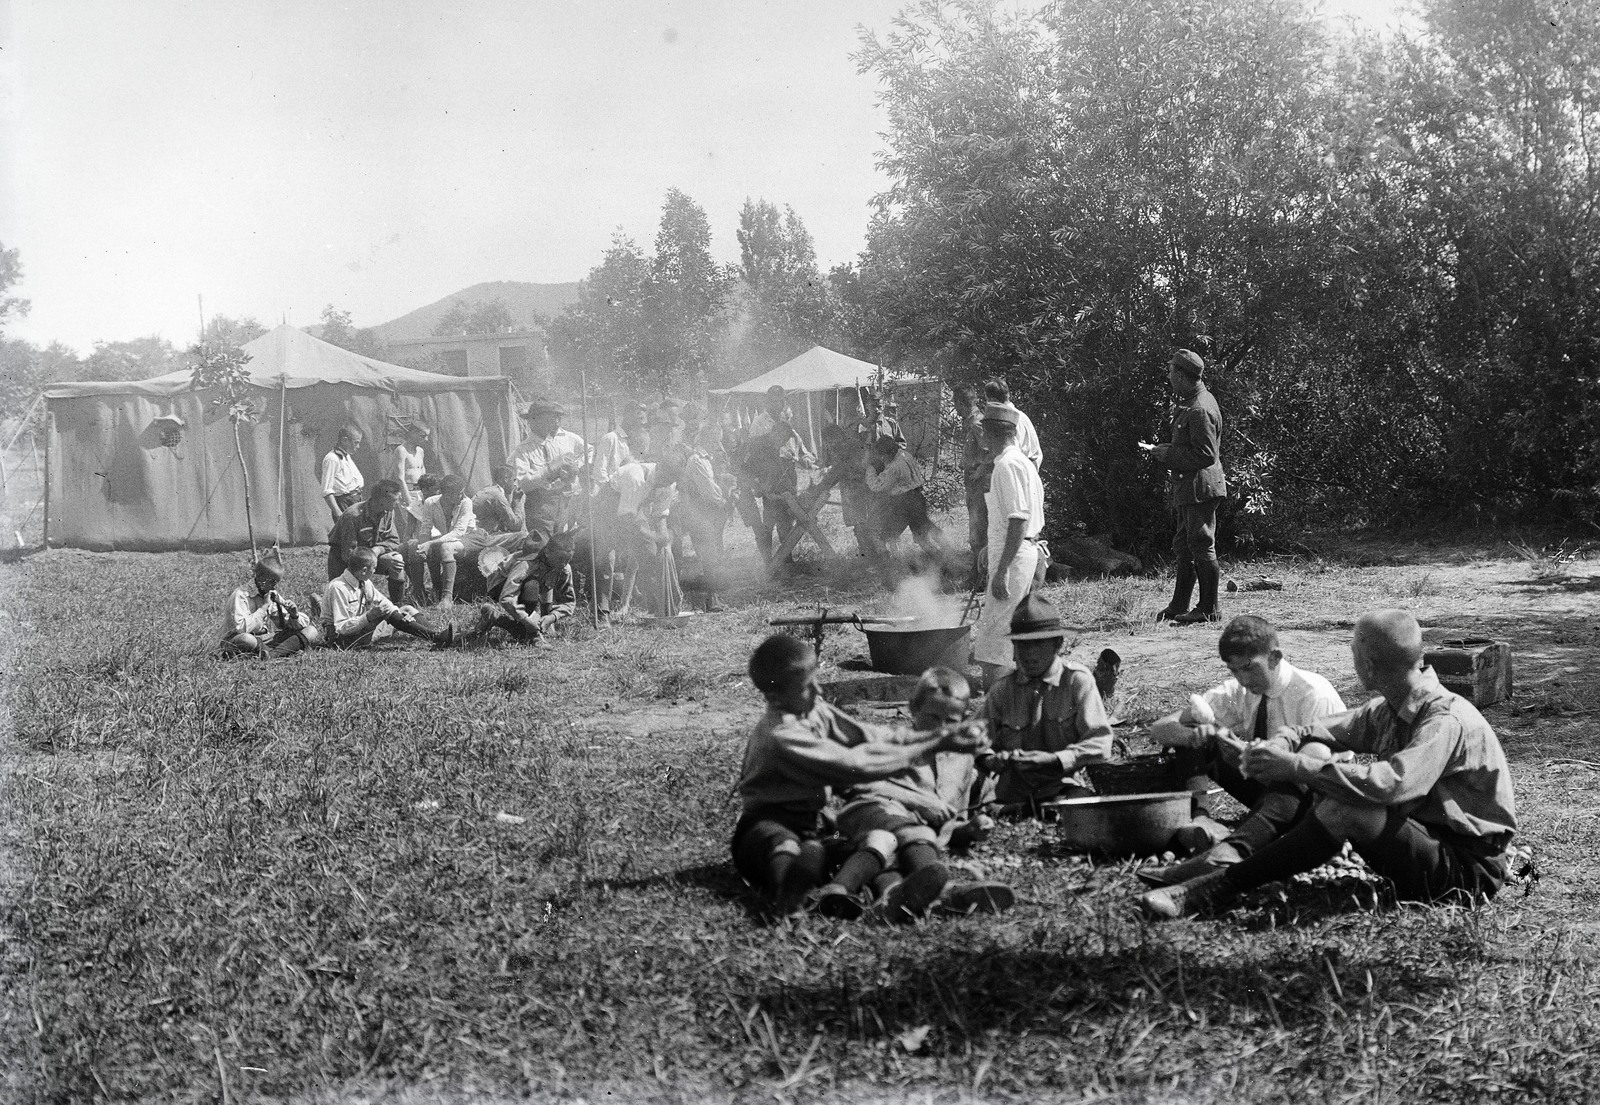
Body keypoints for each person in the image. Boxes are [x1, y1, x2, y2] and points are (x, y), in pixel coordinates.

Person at [1140, 609, 1517, 920]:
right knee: (1320, 757)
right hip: (1429, 844)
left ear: (1365, 665)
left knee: (1346, 808)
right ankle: (1224, 871)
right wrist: (1284, 743)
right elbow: (1316, 729)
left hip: (1468, 871)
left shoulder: (1443, 719)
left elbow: (1392, 784)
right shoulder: (1393, 707)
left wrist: (1296, 768)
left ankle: (1219, 885)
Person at [733, 635, 988, 915]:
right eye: (807, 687)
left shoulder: (815, 711)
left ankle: (887, 894)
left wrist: (936, 735)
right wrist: (938, 742)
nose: (819, 690)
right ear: (774, 697)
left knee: (860, 846)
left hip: (810, 826)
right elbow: (857, 764)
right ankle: (789, 899)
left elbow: (870, 737)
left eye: (816, 679)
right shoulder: (781, 735)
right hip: (763, 825)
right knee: (784, 846)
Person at [1138, 615, 1346, 887]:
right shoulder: (1240, 690)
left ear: (1275, 657)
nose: (1243, 679)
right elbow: (1161, 728)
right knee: (1201, 735)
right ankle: (1202, 820)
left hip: (1311, 800)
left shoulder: (1312, 695)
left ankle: (1226, 853)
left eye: (1249, 668)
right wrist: (1197, 735)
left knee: (1289, 788)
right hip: (1265, 787)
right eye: (1234, 671)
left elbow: (1315, 774)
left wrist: (1253, 759)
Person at [820, 667, 1016, 921]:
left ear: (964, 719)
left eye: (950, 722)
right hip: (871, 818)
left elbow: (946, 821)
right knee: (906, 835)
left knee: (898, 862)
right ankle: (944, 892)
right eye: (933, 718)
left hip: (908, 849)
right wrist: (917, 801)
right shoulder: (893, 743)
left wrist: (970, 828)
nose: (941, 729)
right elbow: (851, 783)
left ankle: (894, 901)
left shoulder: (963, 761)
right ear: (913, 708)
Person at [979, 593, 1114, 813]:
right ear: (1013, 647)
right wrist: (991, 759)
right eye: (1022, 646)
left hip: (1060, 786)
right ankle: (1016, 809)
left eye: (1038, 644)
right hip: (1010, 790)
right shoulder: (1003, 689)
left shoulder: (1075, 681)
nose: (1029, 655)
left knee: (1079, 802)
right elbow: (973, 741)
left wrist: (1054, 759)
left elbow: (1100, 743)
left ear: (1057, 644)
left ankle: (1021, 810)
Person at [970, 404, 1046, 689]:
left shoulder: (1007, 465)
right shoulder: (1019, 461)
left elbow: (1019, 520)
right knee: (1012, 627)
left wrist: (1001, 568)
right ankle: (1017, 690)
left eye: (982, 434)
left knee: (996, 634)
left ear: (989, 435)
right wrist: (990, 548)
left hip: (1015, 556)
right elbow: (1011, 518)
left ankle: (997, 697)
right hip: (1015, 550)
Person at [1149, 348, 1226, 625]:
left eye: (1171, 371)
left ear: (1182, 375)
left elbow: (1206, 455)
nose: (1169, 375)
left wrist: (1168, 455)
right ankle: (1179, 604)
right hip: (1190, 487)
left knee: (1201, 544)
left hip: (1199, 488)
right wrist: (1171, 450)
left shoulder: (1199, 408)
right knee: (1184, 545)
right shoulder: (1194, 402)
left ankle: (1209, 608)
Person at [321, 547, 455, 649]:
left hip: (360, 631)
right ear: (363, 570)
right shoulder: (339, 588)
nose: (374, 571)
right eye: (374, 568)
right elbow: (341, 628)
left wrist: (400, 614)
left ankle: (437, 635)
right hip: (343, 641)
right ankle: (437, 637)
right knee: (385, 611)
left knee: (406, 608)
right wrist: (368, 616)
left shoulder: (364, 582)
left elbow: (384, 602)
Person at [478, 527, 578, 641]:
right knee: (532, 586)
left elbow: (569, 602)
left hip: (532, 586)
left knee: (525, 631)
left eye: (567, 560)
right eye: (560, 559)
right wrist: (526, 620)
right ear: (547, 552)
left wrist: (552, 617)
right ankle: (532, 635)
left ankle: (494, 616)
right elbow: (506, 597)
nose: (563, 564)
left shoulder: (564, 568)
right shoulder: (526, 565)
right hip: (501, 585)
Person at [219, 550, 323, 658]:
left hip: (263, 639)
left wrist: (294, 615)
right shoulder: (241, 595)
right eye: (272, 582)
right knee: (247, 639)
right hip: (237, 639)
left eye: (276, 583)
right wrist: (263, 607)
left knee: (311, 631)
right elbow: (241, 628)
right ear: (259, 577)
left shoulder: (270, 593)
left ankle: (270, 654)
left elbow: (284, 624)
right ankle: (277, 652)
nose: (274, 587)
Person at [327, 479, 411, 605]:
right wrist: (371, 558)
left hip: (371, 557)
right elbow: (348, 555)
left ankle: (398, 605)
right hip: (344, 563)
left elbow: (393, 541)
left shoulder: (388, 512)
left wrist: (377, 551)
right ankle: (319, 603)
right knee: (341, 602)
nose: (398, 503)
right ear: (383, 500)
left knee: (396, 560)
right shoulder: (353, 516)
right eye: (395, 499)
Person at [512, 400, 587, 539]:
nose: (554, 423)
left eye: (555, 419)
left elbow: (588, 450)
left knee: (562, 543)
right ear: (533, 422)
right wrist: (550, 470)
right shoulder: (523, 450)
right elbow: (522, 482)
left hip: (566, 499)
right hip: (541, 505)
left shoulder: (565, 439)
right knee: (542, 545)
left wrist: (575, 466)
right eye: (549, 419)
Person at [864, 434, 944, 560]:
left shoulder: (894, 468)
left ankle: (886, 566)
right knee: (922, 537)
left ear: (888, 453)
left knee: (881, 534)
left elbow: (877, 486)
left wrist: (870, 470)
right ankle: (946, 558)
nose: (882, 459)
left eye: (882, 456)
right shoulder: (905, 455)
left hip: (904, 503)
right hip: (918, 498)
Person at [678, 426, 730, 612]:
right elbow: (709, 490)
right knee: (710, 555)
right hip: (698, 513)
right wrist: (724, 499)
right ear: (710, 440)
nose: (719, 444)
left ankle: (713, 595)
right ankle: (710, 599)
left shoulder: (707, 459)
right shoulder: (697, 460)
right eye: (717, 440)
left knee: (713, 554)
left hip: (706, 512)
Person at [404, 474, 475, 606]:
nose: (462, 496)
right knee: (414, 546)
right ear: (445, 494)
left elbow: (459, 531)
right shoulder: (431, 502)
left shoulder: (466, 502)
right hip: (448, 538)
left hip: (469, 538)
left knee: (445, 548)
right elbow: (425, 528)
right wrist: (423, 545)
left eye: (462, 492)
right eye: (457, 493)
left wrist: (429, 543)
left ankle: (446, 597)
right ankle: (420, 593)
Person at [622, 472, 683, 618]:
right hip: (643, 523)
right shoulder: (638, 487)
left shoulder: (667, 488)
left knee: (656, 561)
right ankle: (643, 604)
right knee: (641, 562)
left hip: (660, 521)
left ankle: (660, 604)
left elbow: (662, 532)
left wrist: (660, 539)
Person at [957, 386, 992, 585]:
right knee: (976, 528)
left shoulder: (978, 423)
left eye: (957, 405)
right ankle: (979, 572)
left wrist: (979, 471)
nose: (956, 409)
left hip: (980, 484)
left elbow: (992, 451)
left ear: (962, 404)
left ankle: (981, 576)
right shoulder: (971, 422)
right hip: (973, 483)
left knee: (979, 529)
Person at [982, 379, 1042, 468]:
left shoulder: (1009, 420)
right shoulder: (1021, 416)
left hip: (1018, 469)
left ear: (992, 400)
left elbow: (1011, 453)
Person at [320, 423, 365, 522]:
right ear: (344, 440)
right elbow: (327, 490)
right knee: (348, 536)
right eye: (356, 442)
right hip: (345, 503)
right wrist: (338, 513)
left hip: (356, 501)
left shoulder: (346, 455)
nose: (358, 446)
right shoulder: (332, 459)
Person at [390, 422, 430, 505]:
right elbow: (399, 478)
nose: (426, 439)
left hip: (419, 493)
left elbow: (423, 475)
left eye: (427, 436)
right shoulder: (401, 450)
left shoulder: (420, 451)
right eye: (422, 436)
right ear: (413, 434)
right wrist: (408, 500)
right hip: (406, 493)